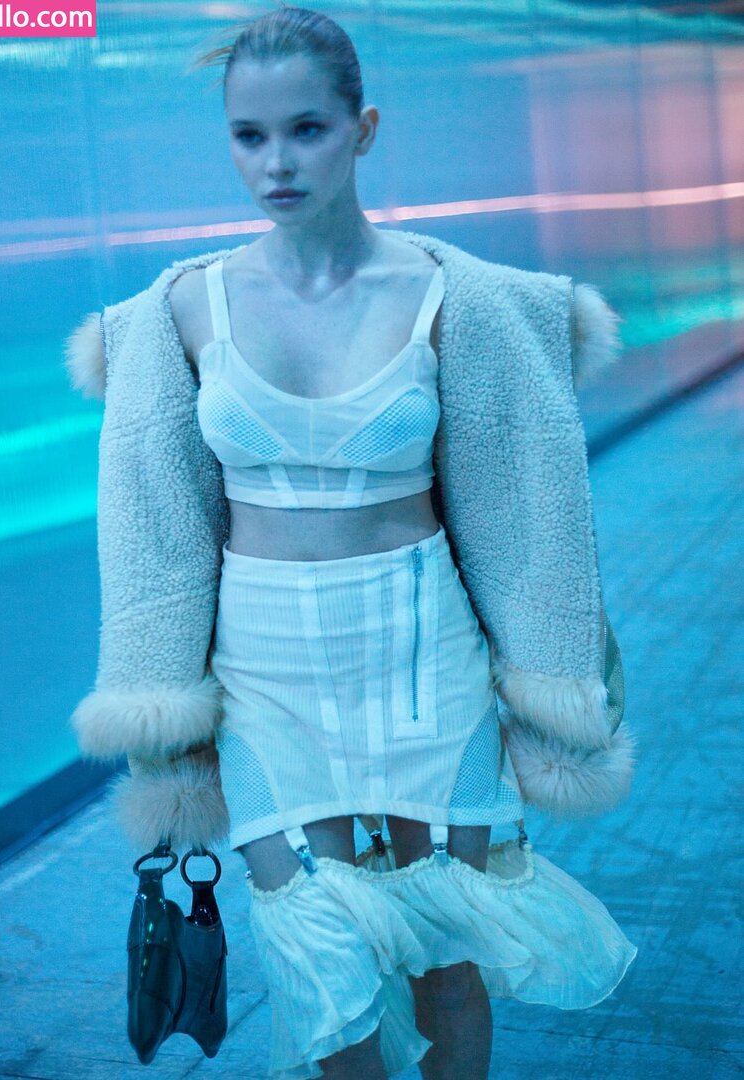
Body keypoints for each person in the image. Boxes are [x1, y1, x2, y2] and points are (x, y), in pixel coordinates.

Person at [65, 7, 638, 1079]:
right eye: (249, 135)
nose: (276, 162)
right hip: (265, 666)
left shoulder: (450, 296)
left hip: (423, 648)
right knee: (319, 959)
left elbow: (521, 510)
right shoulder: (183, 310)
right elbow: (159, 533)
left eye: (307, 129)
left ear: (362, 130)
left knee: (451, 957)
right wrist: (160, 709)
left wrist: (557, 666)